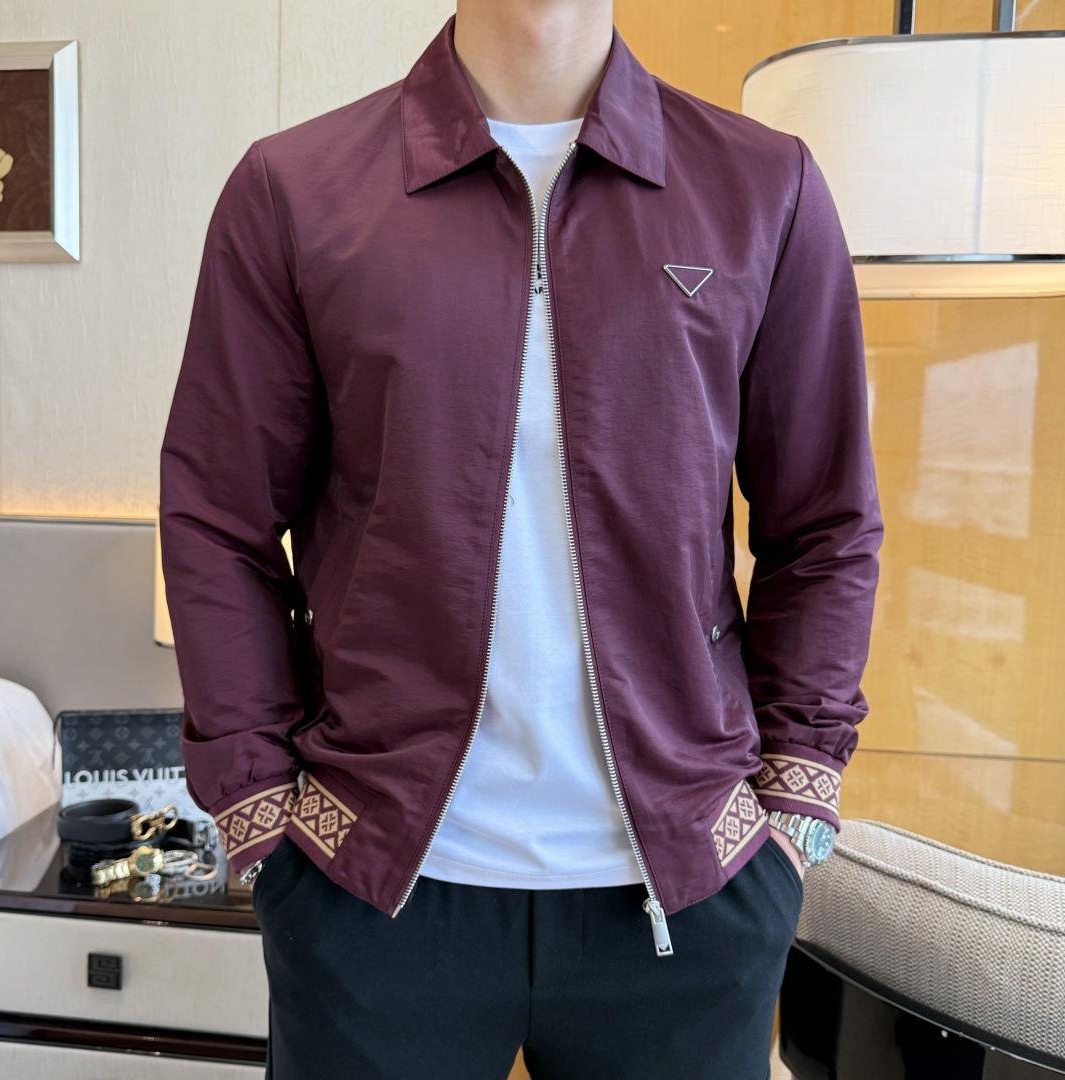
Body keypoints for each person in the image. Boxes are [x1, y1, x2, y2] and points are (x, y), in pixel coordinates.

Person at [159, 0, 882, 1076]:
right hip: (372, 888)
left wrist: (795, 793)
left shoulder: (762, 185)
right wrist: (259, 807)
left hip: (689, 890)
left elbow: (824, 521)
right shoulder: (294, 189)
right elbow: (218, 518)